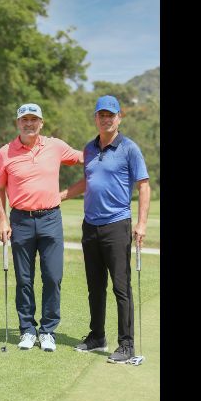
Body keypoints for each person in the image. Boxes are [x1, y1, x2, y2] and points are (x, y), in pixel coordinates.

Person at [60, 95, 150, 364]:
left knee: (121, 288)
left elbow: (144, 186)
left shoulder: (129, 148)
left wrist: (142, 223)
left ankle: (127, 344)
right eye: (101, 114)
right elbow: (88, 181)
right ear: (96, 117)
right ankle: (97, 335)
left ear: (119, 117)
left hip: (117, 225)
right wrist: (62, 194)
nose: (106, 118)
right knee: (94, 286)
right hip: (91, 226)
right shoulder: (89, 149)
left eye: (111, 114)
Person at [0, 103, 83, 352]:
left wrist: (67, 193)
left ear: (41, 123)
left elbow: (87, 158)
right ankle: (27, 330)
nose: (29, 124)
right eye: (24, 120)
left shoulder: (55, 146)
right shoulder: (5, 152)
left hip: (51, 219)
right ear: (18, 123)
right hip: (20, 220)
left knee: (53, 277)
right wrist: (2, 219)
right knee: (24, 279)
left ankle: (48, 331)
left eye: (34, 120)